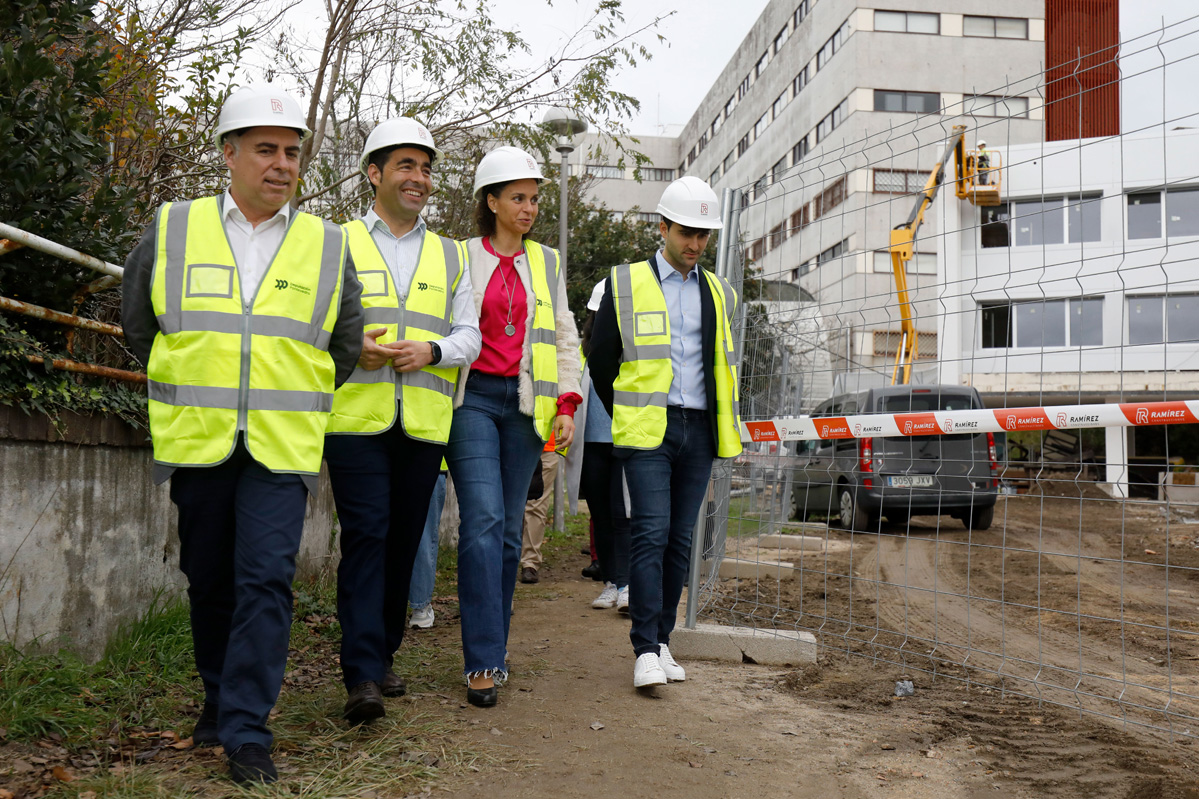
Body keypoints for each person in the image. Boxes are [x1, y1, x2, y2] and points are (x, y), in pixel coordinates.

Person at [120, 87, 364, 783]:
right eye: (266, 149)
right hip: (199, 437)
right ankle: (217, 694)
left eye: (291, 151)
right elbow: (141, 325)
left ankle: (247, 728)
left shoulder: (326, 244)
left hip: (281, 445)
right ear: (228, 154)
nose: (282, 163)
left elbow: (342, 345)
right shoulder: (172, 227)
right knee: (210, 577)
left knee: (265, 579)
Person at [323, 118, 480, 725]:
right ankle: (360, 672)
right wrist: (350, 346)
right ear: (375, 174)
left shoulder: (450, 254)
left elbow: (470, 333)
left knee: (403, 539)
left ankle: (382, 650)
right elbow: (315, 321)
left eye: (426, 168)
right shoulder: (335, 242)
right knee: (367, 535)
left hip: (422, 421)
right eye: (407, 166)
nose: (420, 178)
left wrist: (433, 352)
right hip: (356, 418)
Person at [588, 176, 743, 689]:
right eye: (686, 232)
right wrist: (627, 413)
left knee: (680, 540)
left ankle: (663, 642)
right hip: (647, 432)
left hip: (699, 431)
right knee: (650, 533)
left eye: (704, 235)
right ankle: (643, 651)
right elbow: (601, 359)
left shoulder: (720, 292)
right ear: (663, 227)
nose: (695, 244)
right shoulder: (624, 283)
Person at [446, 145, 581, 707]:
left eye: (534, 199)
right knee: (482, 522)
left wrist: (568, 404)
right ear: (491, 201)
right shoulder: (457, 257)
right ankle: (481, 662)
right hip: (472, 401)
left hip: (526, 407)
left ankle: (494, 651)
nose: (528, 208)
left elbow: (566, 333)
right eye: (518, 198)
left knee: (505, 535)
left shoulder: (545, 263)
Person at [565, 279, 631, 612]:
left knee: (624, 514)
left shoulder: (633, 345)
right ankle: (610, 582)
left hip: (626, 439)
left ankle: (627, 584)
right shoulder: (581, 350)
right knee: (601, 515)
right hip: (592, 444)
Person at [408, 467, 447, 629]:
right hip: (431, 456)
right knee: (423, 531)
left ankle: (378, 607)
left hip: (380, 454)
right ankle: (420, 608)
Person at [519, 432, 558, 583]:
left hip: (546, 446)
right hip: (511, 444)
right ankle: (501, 559)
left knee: (536, 506)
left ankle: (530, 563)